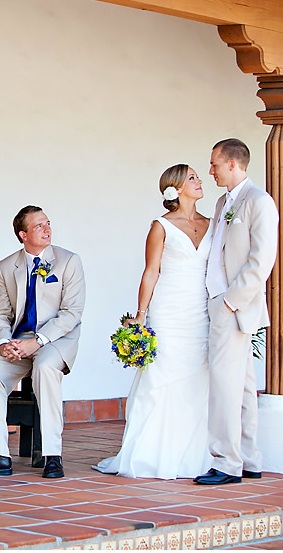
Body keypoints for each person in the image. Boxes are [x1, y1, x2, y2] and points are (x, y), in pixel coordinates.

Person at [93, 164, 213, 479]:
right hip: (169, 311)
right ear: (176, 186)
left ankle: (193, 456)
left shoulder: (212, 224)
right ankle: (153, 454)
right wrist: (141, 315)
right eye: (192, 177)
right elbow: (151, 271)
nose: (200, 181)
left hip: (200, 313)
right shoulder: (161, 226)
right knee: (162, 379)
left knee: (197, 381)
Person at [0, 206, 85, 479]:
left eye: (48, 223)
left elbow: (72, 313)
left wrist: (38, 341)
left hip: (56, 338)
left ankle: (53, 455)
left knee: (45, 369)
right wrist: (4, 341)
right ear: (23, 234)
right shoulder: (6, 266)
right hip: (19, 339)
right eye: (39, 225)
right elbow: (1, 313)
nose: (47, 228)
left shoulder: (68, 261)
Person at [195, 138, 278, 485]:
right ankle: (249, 458)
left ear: (233, 164)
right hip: (222, 301)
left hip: (234, 304)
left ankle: (226, 462)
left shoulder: (258, 201)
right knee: (242, 385)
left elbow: (262, 259)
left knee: (224, 385)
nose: (210, 170)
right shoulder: (221, 202)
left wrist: (230, 300)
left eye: (214, 164)